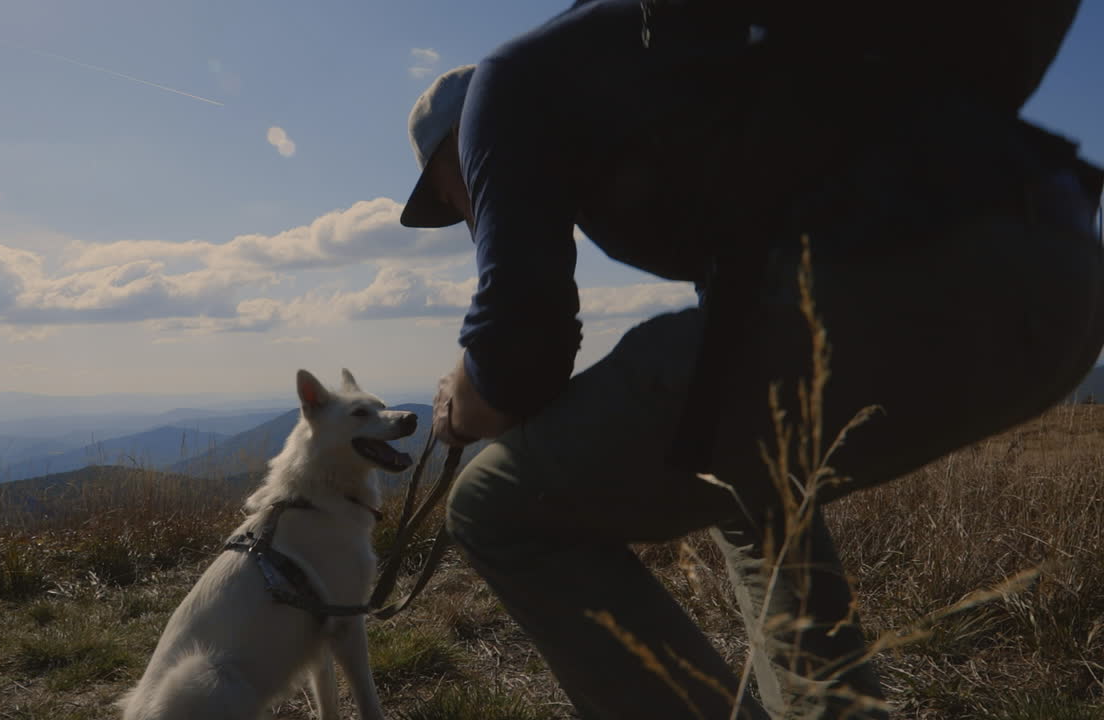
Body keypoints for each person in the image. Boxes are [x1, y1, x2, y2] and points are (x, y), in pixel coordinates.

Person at [398, 2, 1104, 718]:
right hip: (1061, 280)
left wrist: (463, 396)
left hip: (897, 276)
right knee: (743, 471)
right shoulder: (690, 87)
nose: (459, 210)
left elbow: (517, 356)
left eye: (446, 193)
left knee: (495, 507)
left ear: (455, 153)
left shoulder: (504, 88)